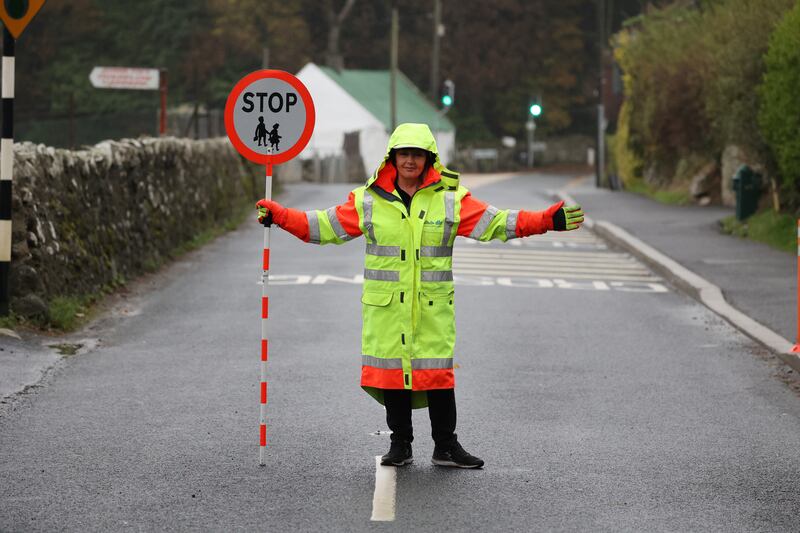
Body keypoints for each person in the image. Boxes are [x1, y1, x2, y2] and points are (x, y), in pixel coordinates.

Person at [255, 123, 584, 469]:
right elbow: (321, 227)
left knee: (438, 374)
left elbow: (498, 223)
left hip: (431, 307)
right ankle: (401, 445)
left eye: (417, 154)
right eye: (404, 153)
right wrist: (281, 216)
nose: (410, 160)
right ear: (392, 158)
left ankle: (446, 446)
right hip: (386, 309)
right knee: (393, 375)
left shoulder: (451, 199)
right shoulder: (368, 201)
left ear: (429, 159)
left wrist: (545, 220)